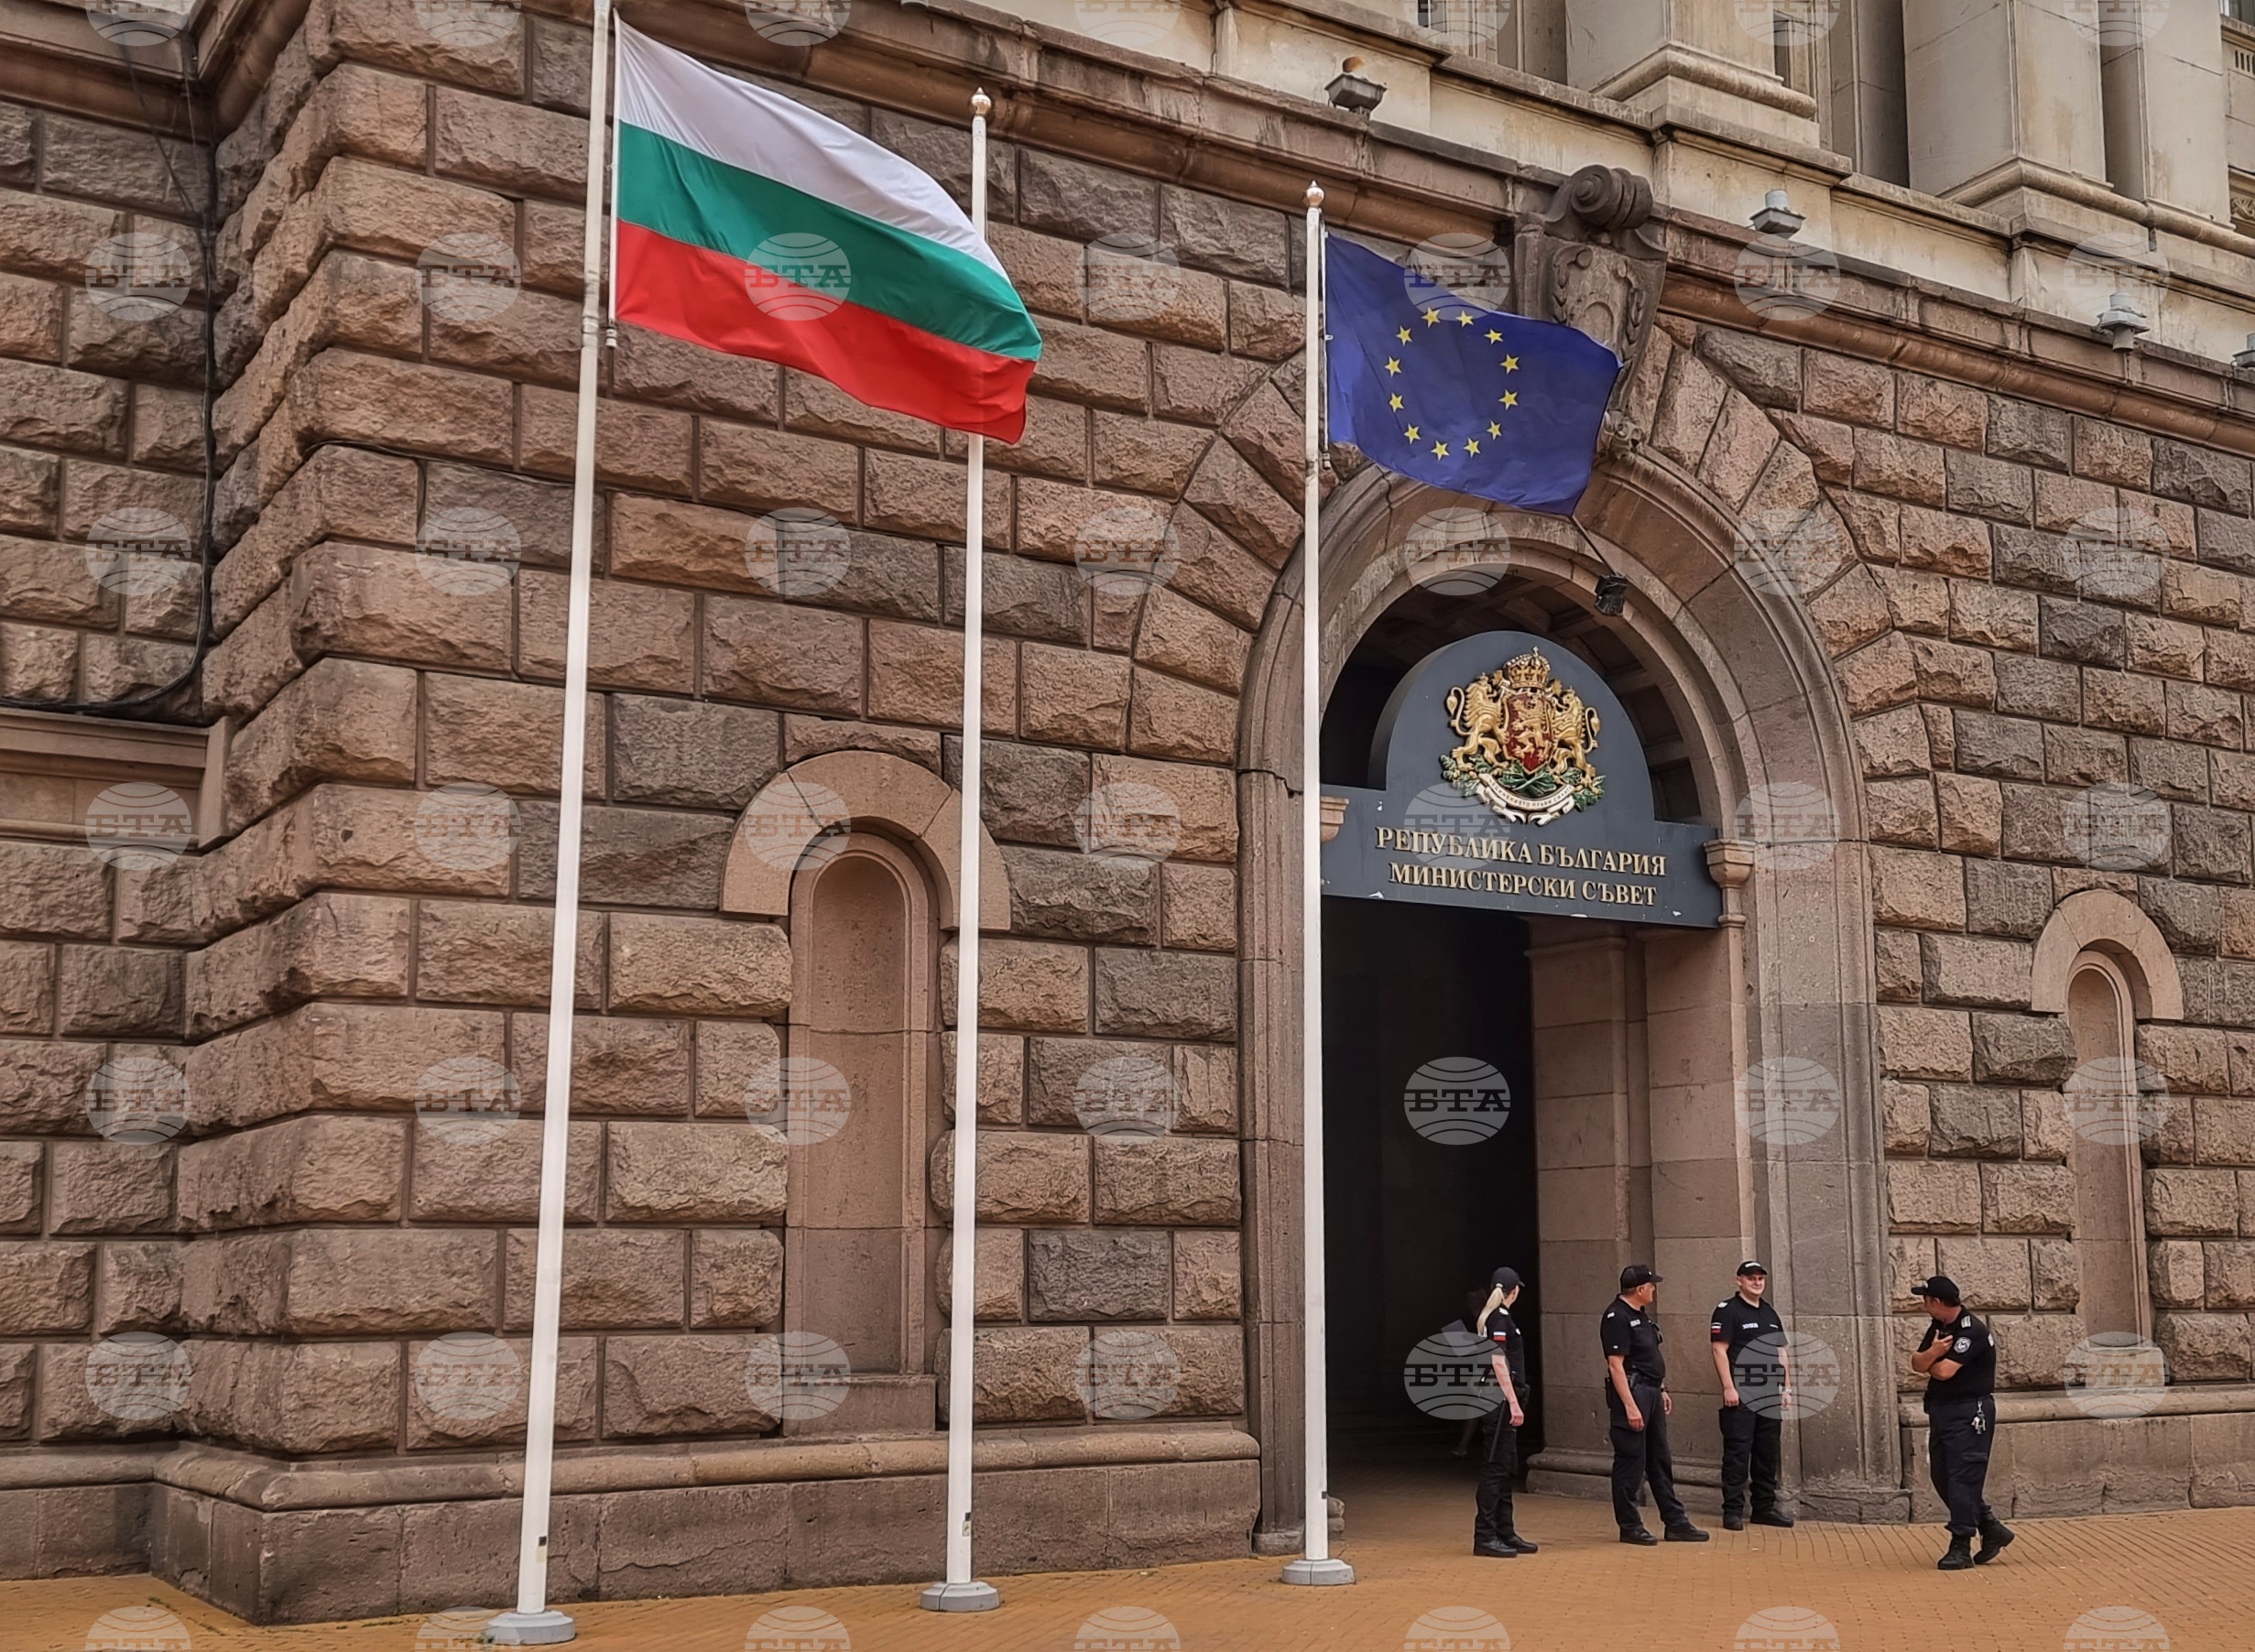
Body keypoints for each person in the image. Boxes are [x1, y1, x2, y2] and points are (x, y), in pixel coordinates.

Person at [1911, 1274, 2014, 1570]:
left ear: (1936, 1301)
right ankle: (1991, 1528)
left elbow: (1944, 1372)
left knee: (1963, 1477)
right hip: (1942, 1411)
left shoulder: (1972, 1331)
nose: (1923, 1305)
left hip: (1969, 1413)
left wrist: (1932, 1361)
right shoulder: (1939, 1327)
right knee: (1942, 1476)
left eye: (1925, 1300)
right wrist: (1933, 1353)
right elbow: (1917, 1363)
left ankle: (1961, 1545)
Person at [1601, 1264, 1707, 1545]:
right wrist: (1630, 1406)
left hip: (1651, 1391)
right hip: (1634, 1393)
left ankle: (1676, 1522)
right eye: (1650, 1286)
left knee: (1660, 1460)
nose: (1653, 1290)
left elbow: (1649, 1358)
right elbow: (1616, 1365)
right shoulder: (1617, 1316)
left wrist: (1661, 1389)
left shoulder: (1641, 1315)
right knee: (1630, 1462)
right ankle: (1630, 1526)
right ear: (1639, 1289)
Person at [1710, 1259, 1794, 1531]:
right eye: (1751, 1278)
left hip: (1769, 1394)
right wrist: (1728, 1387)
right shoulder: (1728, 1311)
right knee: (1738, 1452)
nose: (1757, 1282)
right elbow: (1719, 1350)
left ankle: (1764, 1508)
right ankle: (1732, 1511)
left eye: (1760, 1278)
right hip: (1742, 1393)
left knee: (1767, 1453)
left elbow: (1781, 1352)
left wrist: (1786, 1387)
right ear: (1739, 1281)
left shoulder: (1769, 1312)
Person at [1472, 1266, 1538, 1558]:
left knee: (1506, 1467)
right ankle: (1485, 1535)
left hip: (1500, 1399)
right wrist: (1512, 1401)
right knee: (1495, 1468)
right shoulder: (1499, 1317)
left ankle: (1504, 1531)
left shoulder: (1498, 1317)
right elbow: (1498, 1362)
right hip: (1499, 1401)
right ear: (1516, 1291)